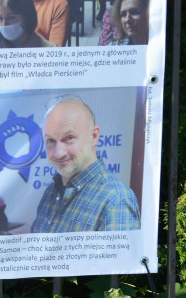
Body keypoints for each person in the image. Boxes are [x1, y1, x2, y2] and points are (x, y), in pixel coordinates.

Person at [31, 96, 141, 233]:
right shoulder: (51, 191)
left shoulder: (116, 202)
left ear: (94, 136)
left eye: (69, 138)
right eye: (50, 140)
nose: (58, 153)